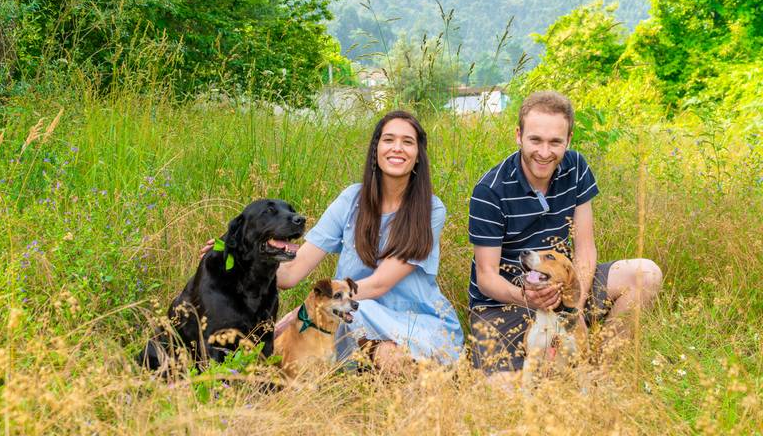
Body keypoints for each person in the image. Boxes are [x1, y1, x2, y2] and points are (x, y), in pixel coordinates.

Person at [205, 110, 463, 372]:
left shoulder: (430, 209)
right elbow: (291, 273)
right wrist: (241, 257)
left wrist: (303, 313)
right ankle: (384, 368)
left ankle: (416, 372)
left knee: (365, 325)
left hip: (414, 325)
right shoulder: (352, 200)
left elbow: (379, 284)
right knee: (358, 346)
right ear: (376, 149)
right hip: (348, 321)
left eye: (408, 142)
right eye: (388, 140)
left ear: (418, 154)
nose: (397, 148)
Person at [467, 90, 663, 380]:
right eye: (535, 140)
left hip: (565, 285)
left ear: (568, 140)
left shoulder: (576, 167)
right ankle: (546, 367)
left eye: (555, 142)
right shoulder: (489, 191)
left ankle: (601, 368)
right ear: (519, 136)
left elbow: (585, 249)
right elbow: (486, 277)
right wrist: (529, 299)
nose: (545, 152)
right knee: (503, 394)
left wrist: (574, 306)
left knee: (645, 273)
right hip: (506, 301)